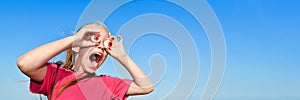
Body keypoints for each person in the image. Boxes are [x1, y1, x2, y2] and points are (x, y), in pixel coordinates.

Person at [17, 23, 154, 100]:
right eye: (93, 40)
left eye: (105, 44)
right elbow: (25, 64)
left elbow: (146, 87)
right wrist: (74, 40)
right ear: (77, 46)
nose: (100, 46)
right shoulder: (57, 76)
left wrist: (122, 56)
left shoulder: (107, 84)